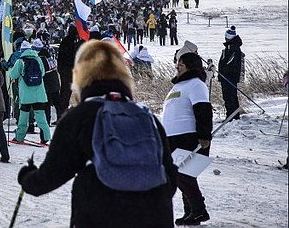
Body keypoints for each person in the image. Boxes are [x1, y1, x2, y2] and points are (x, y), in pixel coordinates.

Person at [17, 40, 177, 227]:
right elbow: (170, 175)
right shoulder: (146, 117)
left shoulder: (80, 117)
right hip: (156, 214)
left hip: (101, 213)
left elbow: (53, 173)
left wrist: (27, 179)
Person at [162, 41, 213, 225]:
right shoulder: (178, 86)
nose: (177, 67)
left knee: (183, 174)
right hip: (173, 137)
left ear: (190, 66)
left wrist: (205, 135)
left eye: (181, 65)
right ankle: (190, 212)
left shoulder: (196, 84)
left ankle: (199, 210)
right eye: (177, 64)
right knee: (181, 175)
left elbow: (203, 110)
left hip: (189, 136)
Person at [9, 40, 51, 144]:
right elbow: (43, 73)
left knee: (23, 117)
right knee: (41, 116)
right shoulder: (38, 59)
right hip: (39, 94)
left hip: (26, 95)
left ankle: (19, 137)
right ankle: (46, 137)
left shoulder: (20, 61)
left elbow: (13, 75)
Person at [217, 26, 244, 121]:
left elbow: (229, 64)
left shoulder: (234, 48)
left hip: (229, 77)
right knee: (228, 97)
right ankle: (232, 115)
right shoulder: (230, 47)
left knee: (230, 97)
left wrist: (223, 73)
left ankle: (232, 116)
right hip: (226, 77)